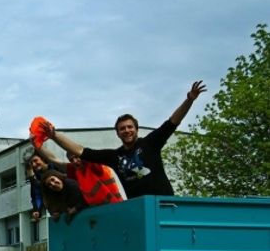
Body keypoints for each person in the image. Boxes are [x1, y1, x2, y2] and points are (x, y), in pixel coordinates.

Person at [41, 81, 207, 198]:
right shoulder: (114, 157)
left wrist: (189, 99)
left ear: (136, 129)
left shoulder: (150, 143)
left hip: (164, 203)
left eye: (130, 127)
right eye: (122, 128)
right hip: (138, 206)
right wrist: (54, 135)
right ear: (118, 133)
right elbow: (80, 151)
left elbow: (173, 122)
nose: (126, 130)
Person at [34, 146, 126, 207]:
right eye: (71, 160)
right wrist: (38, 146)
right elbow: (54, 160)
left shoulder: (93, 164)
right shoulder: (76, 171)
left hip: (116, 205)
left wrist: (54, 136)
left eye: (76, 157)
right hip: (99, 210)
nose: (74, 161)